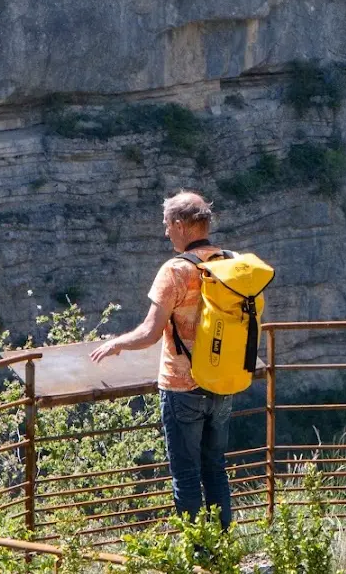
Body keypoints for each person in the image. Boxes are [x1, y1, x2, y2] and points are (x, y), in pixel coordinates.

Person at [89, 190, 233, 529]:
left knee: (186, 476)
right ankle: (221, 549)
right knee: (215, 470)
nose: (165, 231)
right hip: (223, 381)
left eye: (167, 224)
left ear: (181, 225)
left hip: (182, 387)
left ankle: (197, 556)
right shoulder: (230, 261)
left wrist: (116, 344)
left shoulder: (176, 271)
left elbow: (150, 332)